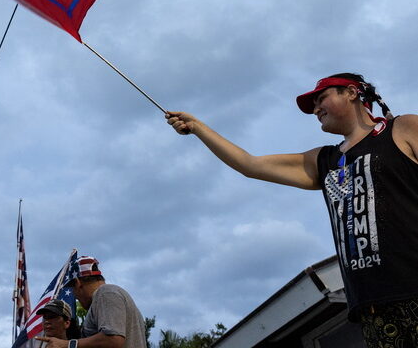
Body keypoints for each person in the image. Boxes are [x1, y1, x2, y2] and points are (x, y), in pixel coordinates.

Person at [165, 73, 418, 347]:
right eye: (313, 107)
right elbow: (251, 165)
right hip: (373, 308)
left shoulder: (402, 128)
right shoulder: (325, 160)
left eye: (322, 98)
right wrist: (198, 127)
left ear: (352, 93)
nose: (316, 109)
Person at [38, 256, 148, 348]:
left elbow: (114, 339)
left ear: (77, 283)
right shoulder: (108, 295)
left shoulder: (105, 293)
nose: (75, 296)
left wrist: (68, 344)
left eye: (73, 289)